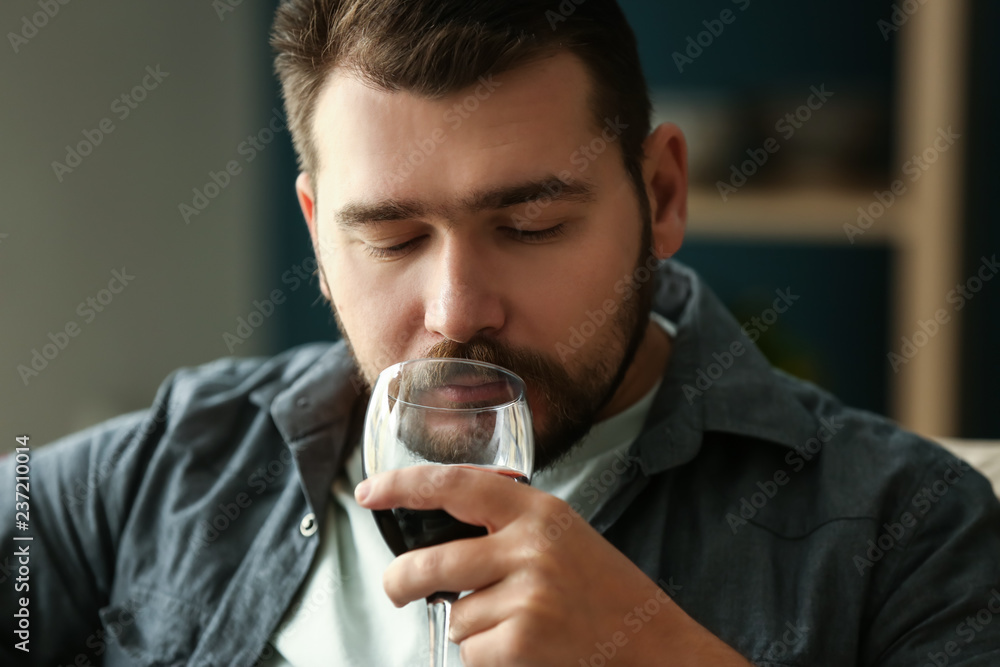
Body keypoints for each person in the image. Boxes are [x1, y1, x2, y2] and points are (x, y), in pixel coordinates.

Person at [3, 1, 999, 665]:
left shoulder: (912, 532)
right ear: (317, 232)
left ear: (658, 195)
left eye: (528, 228)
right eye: (392, 238)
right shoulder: (165, 470)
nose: (456, 310)